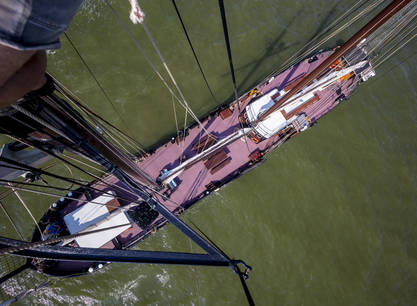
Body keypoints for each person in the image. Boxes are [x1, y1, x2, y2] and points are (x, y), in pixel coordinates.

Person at [0, 0, 144, 111]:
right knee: (34, 66)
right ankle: (39, 83)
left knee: (33, 69)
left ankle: (39, 84)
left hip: (22, 12)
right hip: (52, 16)